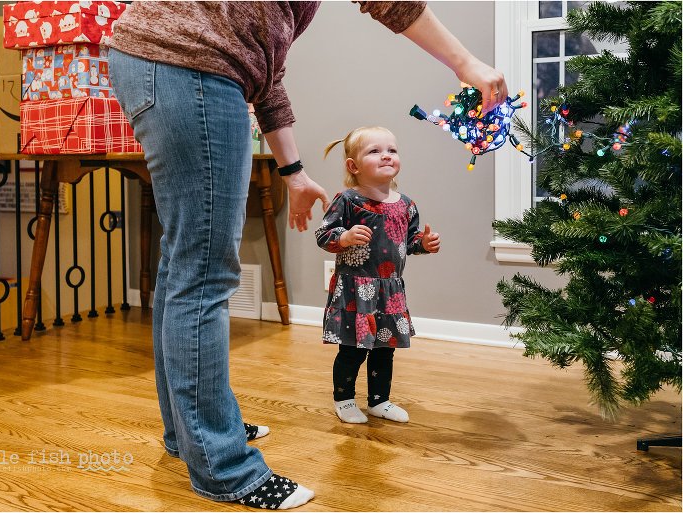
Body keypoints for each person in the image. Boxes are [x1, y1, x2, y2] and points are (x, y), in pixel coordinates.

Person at [107, 1, 507, 509]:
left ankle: (191, 433)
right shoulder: (208, 38)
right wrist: (465, 64)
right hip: (190, 67)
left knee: (183, 262)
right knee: (203, 272)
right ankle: (222, 465)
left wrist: (293, 172)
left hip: (175, 67)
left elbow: (266, 79)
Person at [316, 126, 441, 425]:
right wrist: (344, 237)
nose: (386, 155)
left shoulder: (406, 204)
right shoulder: (347, 200)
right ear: (353, 166)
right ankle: (344, 399)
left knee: (386, 349)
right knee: (353, 350)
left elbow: (408, 243)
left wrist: (422, 244)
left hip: (390, 291)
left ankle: (379, 400)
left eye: (392, 150)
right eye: (374, 151)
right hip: (356, 290)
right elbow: (323, 235)